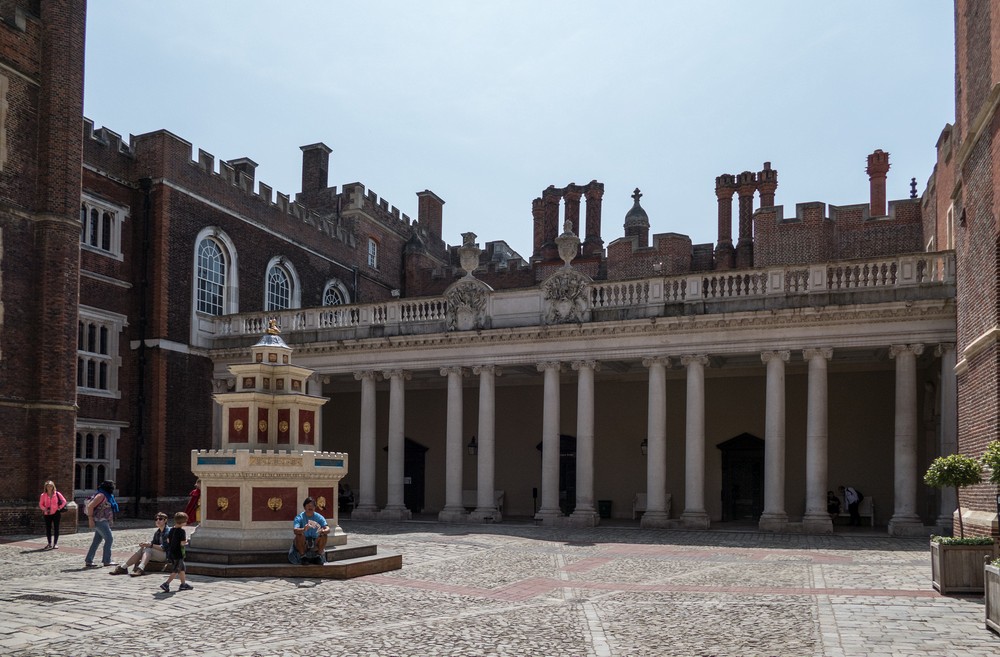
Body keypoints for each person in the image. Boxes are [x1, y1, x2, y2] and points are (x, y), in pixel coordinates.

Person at [84, 480, 119, 568]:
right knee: (109, 539)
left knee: (96, 541)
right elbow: (90, 506)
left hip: (104, 520)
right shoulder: (101, 495)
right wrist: (90, 519)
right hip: (99, 520)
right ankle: (107, 560)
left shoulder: (108, 495)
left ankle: (89, 560)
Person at [289, 496, 330, 565]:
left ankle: (318, 556)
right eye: (308, 505)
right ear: (304, 507)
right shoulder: (299, 517)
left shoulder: (319, 517)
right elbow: (295, 530)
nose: (310, 507)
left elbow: (327, 528)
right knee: (299, 535)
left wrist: (323, 531)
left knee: (324, 535)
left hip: (315, 540)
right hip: (304, 541)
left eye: (312, 506)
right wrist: (303, 529)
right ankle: (303, 557)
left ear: (315, 507)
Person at [160, 512, 193, 592]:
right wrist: (186, 542)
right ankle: (166, 584)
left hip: (171, 552)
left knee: (182, 568)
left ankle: (183, 584)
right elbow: (182, 543)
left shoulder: (172, 530)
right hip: (178, 553)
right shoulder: (182, 531)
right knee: (176, 569)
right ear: (183, 522)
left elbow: (168, 540)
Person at [38, 480, 67, 550]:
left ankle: (55, 543)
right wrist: (44, 509)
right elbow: (40, 504)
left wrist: (59, 508)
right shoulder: (43, 495)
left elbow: (64, 501)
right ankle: (49, 543)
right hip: (47, 513)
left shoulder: (57, 494)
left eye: (51, 486)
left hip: (56, 513)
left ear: (53, 486)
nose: (49, 487)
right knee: (48, 528)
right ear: (46, 487)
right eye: (48, 486)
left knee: (56, 528)